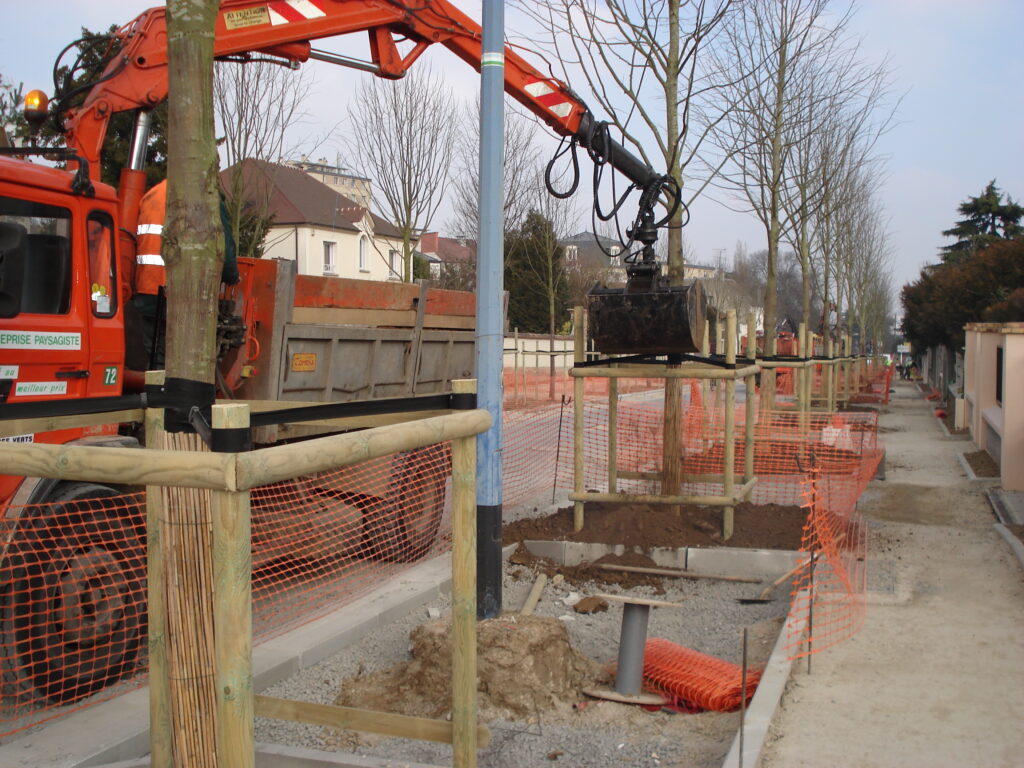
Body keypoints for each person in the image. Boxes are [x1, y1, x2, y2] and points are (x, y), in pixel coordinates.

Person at [132, 179, 239, 367]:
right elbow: (223, 248)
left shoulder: (152, 194)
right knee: (182, 366)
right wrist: (232, 276)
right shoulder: (203, 196)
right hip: (181, 294)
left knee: (157, 359)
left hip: (147, 291)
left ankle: (155, 393)